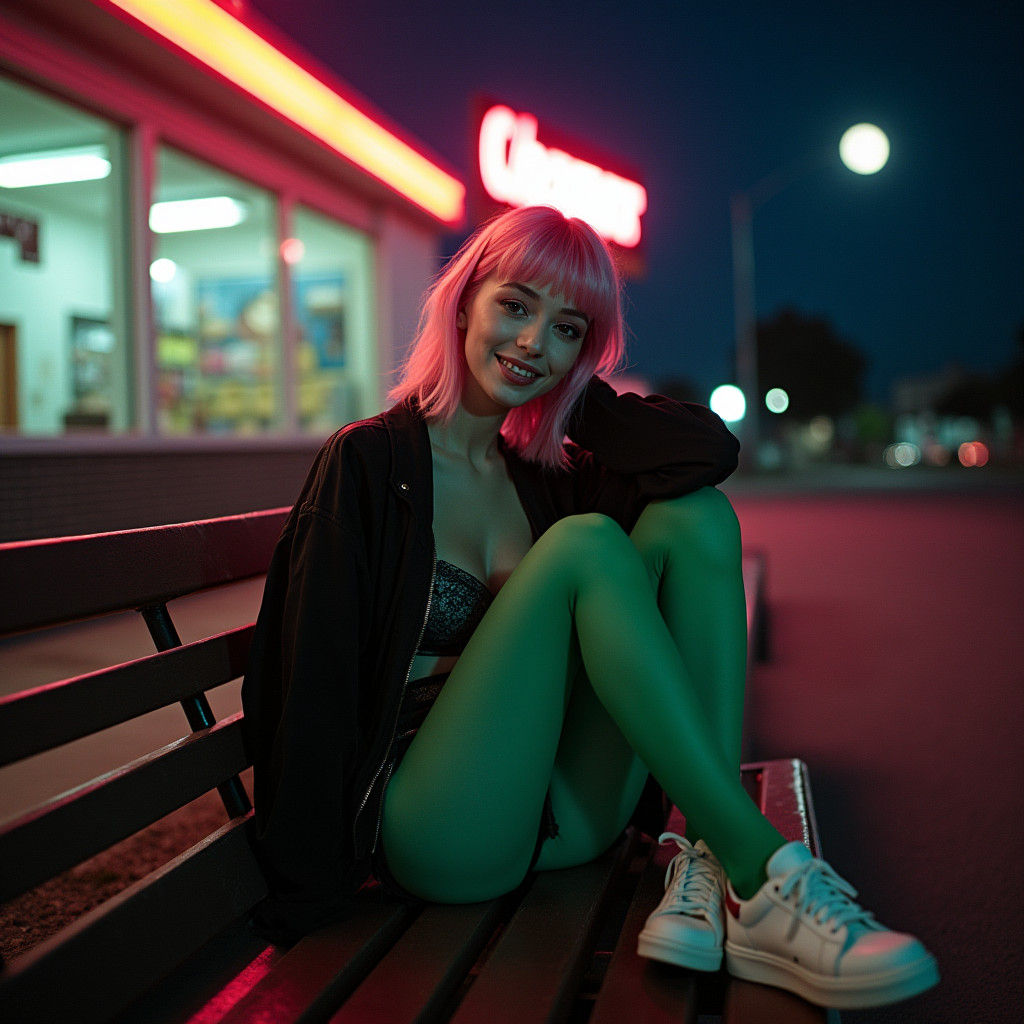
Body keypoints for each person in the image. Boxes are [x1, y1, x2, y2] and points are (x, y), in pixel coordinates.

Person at [241, 205, 938, 1010]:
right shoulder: (368, 462)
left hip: (556, 814)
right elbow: (311, 677)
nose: (533, 341)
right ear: (463, 301)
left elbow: (707, 453)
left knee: (695, 517)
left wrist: (572, 395)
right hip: (433, 827)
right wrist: (308, 894)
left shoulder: (546, 476)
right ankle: (761, 869)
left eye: (567, 329)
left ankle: (707, 858)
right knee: (588, 544)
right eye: (515, 306)